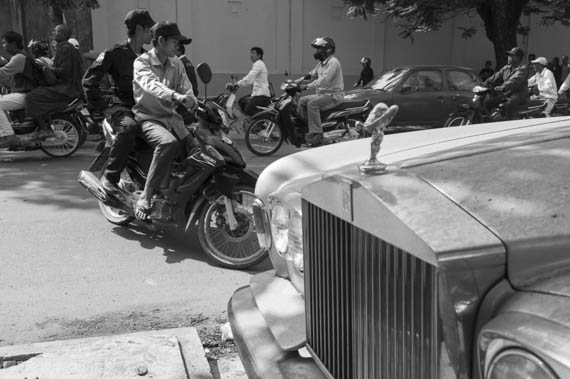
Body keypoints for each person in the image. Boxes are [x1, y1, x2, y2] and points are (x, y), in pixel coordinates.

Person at [82, 8, 155, 192]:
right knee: (128, 128)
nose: (152, 34)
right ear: (139, 29)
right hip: (122, 109)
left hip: (145, 110)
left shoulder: (148, 58)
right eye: (149, 29)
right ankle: (110, 178)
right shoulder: (114, 53)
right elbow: (89, 82)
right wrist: (104, 108)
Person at [132, 21, 198, 220]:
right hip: (149, 118)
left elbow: (185, 86)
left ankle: (174, 190)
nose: (178, 46)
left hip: (172, 118)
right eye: (175, 41)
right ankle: (147, 195)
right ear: (160, 41)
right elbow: (150, 85)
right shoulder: (142, 62)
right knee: (168, 143)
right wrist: (176, 96)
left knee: (198, 149)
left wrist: (191, 98)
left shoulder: (176, 62)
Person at [22, 24, 83, 139]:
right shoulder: (64, 48)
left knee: (33, 96)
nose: (54, 33)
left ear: (63, 34)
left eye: (56, 31)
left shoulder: (66, 48)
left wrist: (46, 67)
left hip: (66, 88)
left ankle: (45, 129)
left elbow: (64, 71)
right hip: (66, 85)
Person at [298, 36, 344, 146]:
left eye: (319, 49)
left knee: (312, 104)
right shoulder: (321, 63)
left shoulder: (333, 62)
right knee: (302, 101)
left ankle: (317, 134)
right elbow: (311, 74)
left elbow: (324, 80)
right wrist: (297, 82)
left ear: (327, 50)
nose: (317, 52)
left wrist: (306, 86)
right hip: (322, 94)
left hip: (333, 95)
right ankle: (305, 130)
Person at [0, 31, 36, 147]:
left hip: (25, 95)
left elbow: (2, 73)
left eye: (5, 43)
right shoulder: (20, 56)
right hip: (24, 93)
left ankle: (9, 136)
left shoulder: (19, 58)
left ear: (13, 44)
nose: (3, 46)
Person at [483, 46, 529, 120]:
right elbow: (494, 77)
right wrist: (483, 84)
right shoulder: (506, 68)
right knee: (489, 102)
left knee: (509, 104)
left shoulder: (523, 69)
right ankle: (493, 119)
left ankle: (508, 122)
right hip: (507, 94)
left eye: (511, 56)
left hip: (519, 95)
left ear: (518, 57)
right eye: (509, 55)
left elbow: (514, 81)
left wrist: (502, 87)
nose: (508, 57)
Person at [235, 46, 270, 116]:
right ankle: (249, 122)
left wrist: (238, 84)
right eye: (251, 53)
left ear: (259, 55)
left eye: (254, 53)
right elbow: (251, 81)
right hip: (257, 93)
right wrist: (239, 85)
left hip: (261, 95)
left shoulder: (258, 64)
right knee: (242, 101)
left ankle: (264, 123)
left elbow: (250, 76)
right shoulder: (257, 64)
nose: (251, 55)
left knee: (249, 109)